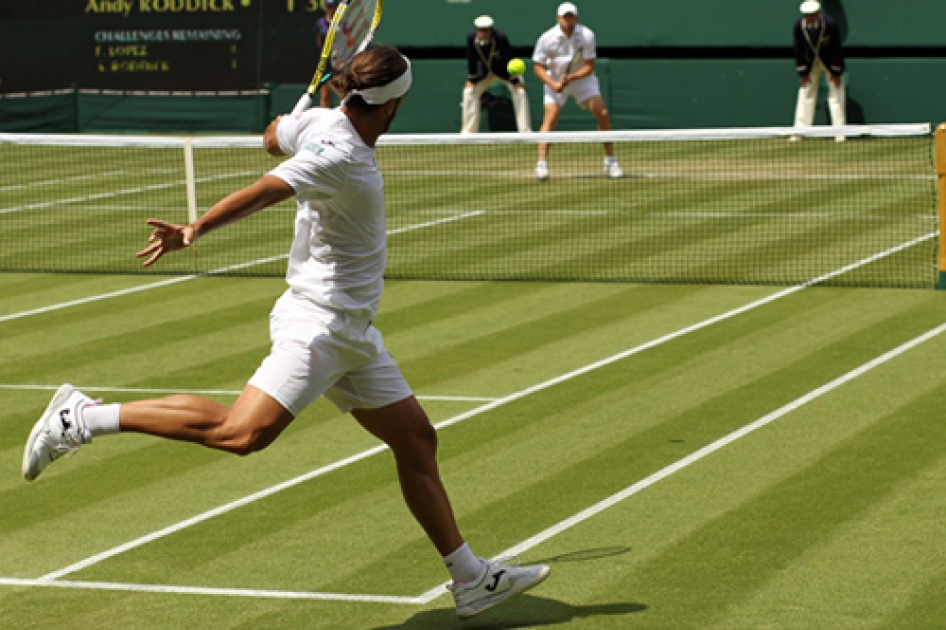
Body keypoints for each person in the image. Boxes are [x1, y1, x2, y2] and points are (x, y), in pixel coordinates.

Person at [21, 45, 550, 620]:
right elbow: (268, 187)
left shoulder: (321, 121)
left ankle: (470, 578)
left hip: (351, 332)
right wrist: (195, 228)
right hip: (318, 326)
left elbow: (273, 135)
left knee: (417, 440)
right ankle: (81, 417)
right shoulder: (338, 154)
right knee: (241, 433)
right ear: (395, 104)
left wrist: (284, 130)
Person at [531, 2, 622, 181]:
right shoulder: (546, 38)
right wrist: (554, 83)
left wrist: (571, 78)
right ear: (558, 19)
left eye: (571, 16)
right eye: (565, 17)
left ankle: (611, 160)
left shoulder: (587, 35)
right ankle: (541, 164)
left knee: (602, 113)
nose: (568, 20)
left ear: (576, 18)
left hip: (582, 80)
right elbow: (538, 67)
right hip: (554, 80)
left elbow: (589, 67)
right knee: (551, 117)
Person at [461, 15, 531, 134]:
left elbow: (509, 57)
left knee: (520, 92)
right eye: (481, 30)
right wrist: (471, 79)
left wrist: (515, 80)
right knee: (469, 92)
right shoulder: (471, 38)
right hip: (484, 73)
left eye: (486, 30)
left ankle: (525, 131)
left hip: (504, 72)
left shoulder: (500, 38)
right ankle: (468, 132)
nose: (483, 32)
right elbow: (472, 59)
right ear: (477, 30)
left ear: (491, 30)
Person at [791, 0, 847, 142]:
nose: (808, 18)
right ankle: (800, 131)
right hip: (810, 64)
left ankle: (840, 132)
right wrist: (803, 73)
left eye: (811, 15)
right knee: (806, 93)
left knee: (836, 94)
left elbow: (836, 48)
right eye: (806, 15)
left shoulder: (830, 24)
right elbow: (798, 49)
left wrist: (836, 72)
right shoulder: (799, 26)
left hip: (829, 62)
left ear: (817, 14)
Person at [314, 0, 340, 108]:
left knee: (342, 93)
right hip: (325, 65)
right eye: (329, 6)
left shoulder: (342, 23)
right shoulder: (320, 24)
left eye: (333, 6)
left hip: (340, 63)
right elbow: (319, 42)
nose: (331, 9)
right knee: (325, 94)